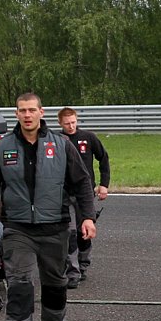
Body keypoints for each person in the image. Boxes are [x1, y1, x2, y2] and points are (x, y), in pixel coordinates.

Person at [0, 92, 97, 321]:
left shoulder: (61, 145)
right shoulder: (4, 148)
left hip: (55, 229)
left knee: (55, 287)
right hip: (18, 230)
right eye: (21, 111)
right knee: (20, 287)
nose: (27, 115)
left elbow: (82, 183)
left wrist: (87, 217)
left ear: (41, 113)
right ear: (16, 114)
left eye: (31, 110)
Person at [57, 106, 110, 287]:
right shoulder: (57, 140)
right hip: (63, 194)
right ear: (60, 123)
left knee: (83, 232)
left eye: (73, 122)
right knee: (69, 232)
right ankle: (72, 271)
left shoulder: (88, 137)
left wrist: (104, 184)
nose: (70, 126)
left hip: (85, 192)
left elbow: (103, 158)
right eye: (67, 124)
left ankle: (83, 263)